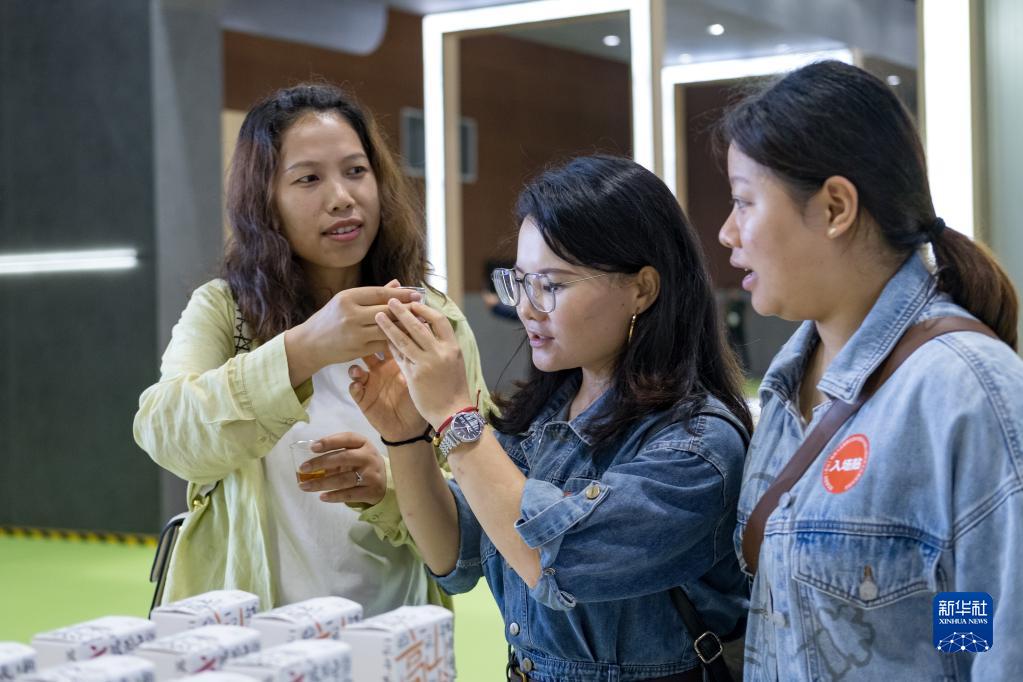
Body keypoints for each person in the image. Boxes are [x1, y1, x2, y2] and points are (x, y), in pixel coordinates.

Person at [344, 155, 752, 681]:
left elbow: (554, 563)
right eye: (520, 282)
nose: (527, 308)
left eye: (552, 285)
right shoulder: (544, 415)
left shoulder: (697, 445)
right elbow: (455, 554)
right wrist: (406, 437)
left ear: (642, 289)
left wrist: (453, 416)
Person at [133, 83, 490, 615]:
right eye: (308, 178)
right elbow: (166, 432)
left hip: (395, 633)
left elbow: (479, 504)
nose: (342, 197)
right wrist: (304, 348)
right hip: (251, 635)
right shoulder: (225, 309)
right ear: (265, 201)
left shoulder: (430, 317)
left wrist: (389, 485)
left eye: (356, 171)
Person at [717, 60, 1023, 680]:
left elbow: (979, 633)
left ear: (835, 206)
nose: (727, 233)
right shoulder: (786, 385)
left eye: (744, 202)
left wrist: (946, 640)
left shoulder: (963, 392)